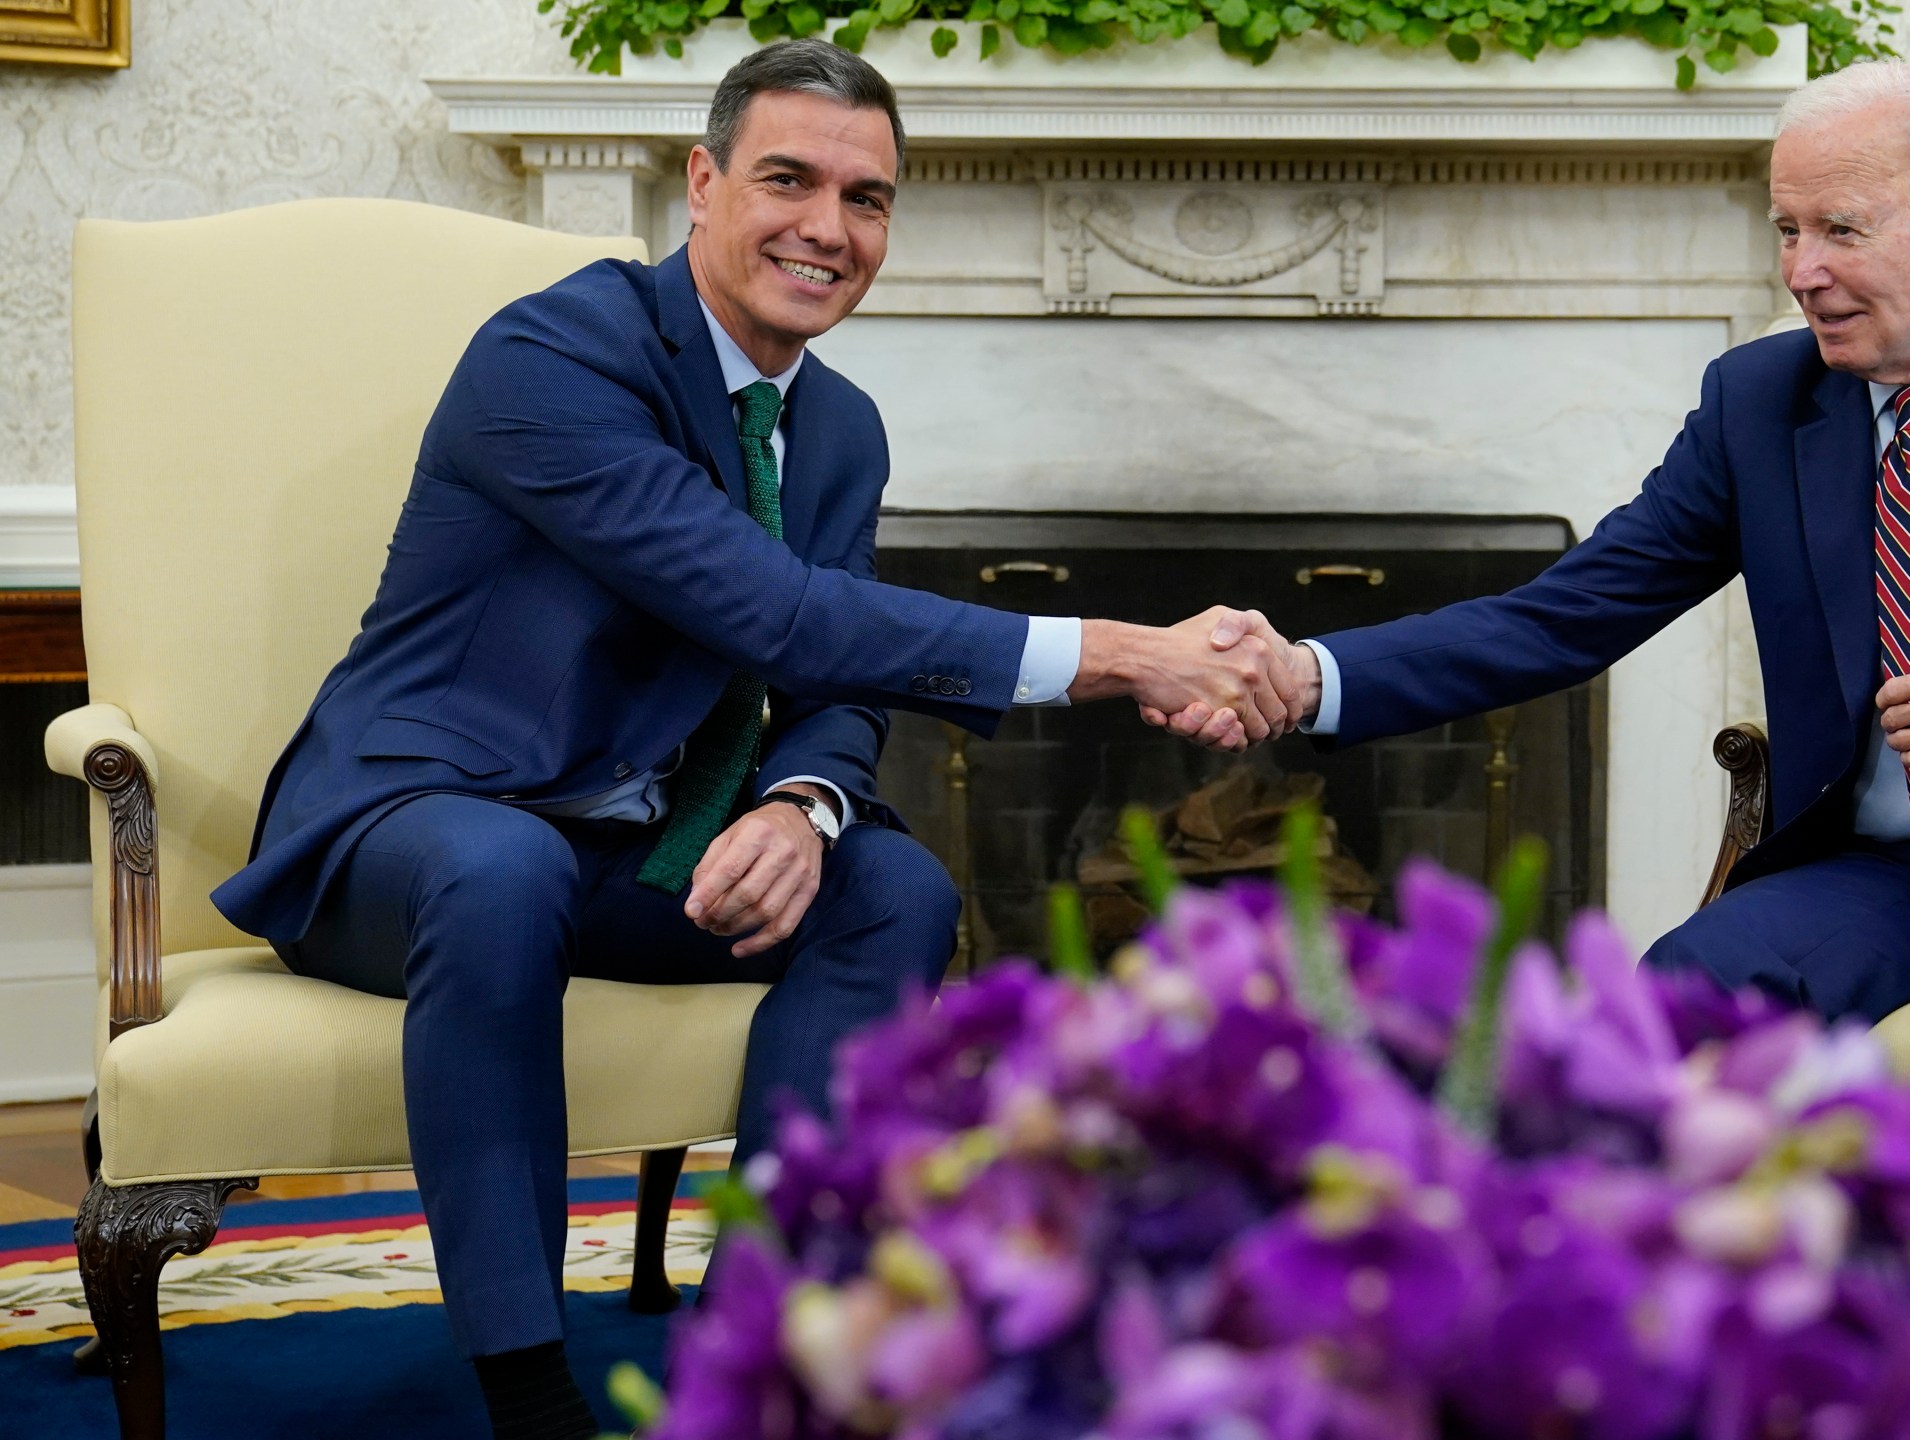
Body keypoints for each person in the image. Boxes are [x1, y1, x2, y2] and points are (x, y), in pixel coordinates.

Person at [1163, 60, 1910, 1358]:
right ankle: (1672, 1362)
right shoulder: (1762, 402)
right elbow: (1569, 611)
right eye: (1786, 231)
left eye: (1840, 230)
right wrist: (1312, 677)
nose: (1801, 271)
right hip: (1893, 864)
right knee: (1685, 990)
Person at [213, 40, 1296, 1440]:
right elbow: (772, 608)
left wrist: (800, 805)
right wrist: (1129, 653)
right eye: (789, 179)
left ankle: (765, 1335)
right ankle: (528, 1385)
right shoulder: (551, 354)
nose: (828, 229)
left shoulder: (838, 429)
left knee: (897, 884)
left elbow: (834, 676)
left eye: (869, 199)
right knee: (499, 869)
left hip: (638, 854)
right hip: (411, 832)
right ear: (705, 183)